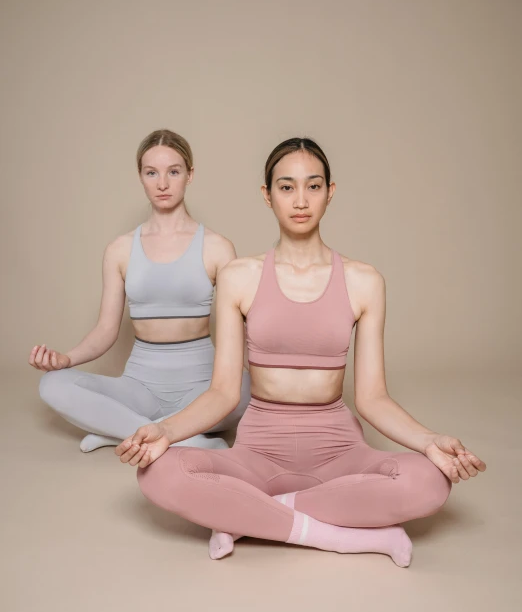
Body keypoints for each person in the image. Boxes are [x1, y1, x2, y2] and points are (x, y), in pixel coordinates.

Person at [115, 137, 486, 566]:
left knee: (430, 482)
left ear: (330, 192)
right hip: (256, 454)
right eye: (286, 187)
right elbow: (222, 393)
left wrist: (431, 440)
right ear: (267, 195)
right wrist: (165, 431)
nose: (300, 200)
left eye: (313, 186)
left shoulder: (365, 281)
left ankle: (247, 516)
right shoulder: (239, 277)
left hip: (339, 454)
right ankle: (343, 536)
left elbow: (372, 398)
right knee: (158, 473)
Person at [29, 129, 250, 453]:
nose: (162, 183)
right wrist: (66, 358)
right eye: (152, 173)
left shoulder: (218, 247)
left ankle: (118, 430)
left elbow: (239, 333)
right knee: (52, 384)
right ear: (140, 177)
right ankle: (185, 438)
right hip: (139, 388)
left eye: (173, 171)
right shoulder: (119, 250)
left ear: (190, 174)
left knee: (246, 388)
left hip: (204, 387)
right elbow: (106, 330)